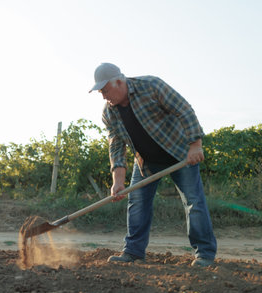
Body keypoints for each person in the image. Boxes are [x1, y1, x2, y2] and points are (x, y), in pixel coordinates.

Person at [89, 63, 217, 267]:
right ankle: (133, 252)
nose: (104, 96)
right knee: (137, 202)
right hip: (146, 161)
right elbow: (116, 147)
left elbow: (184, 110)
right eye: (100, 92)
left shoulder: (151, 86)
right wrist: (118, 182)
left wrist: (195, 145)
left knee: (194, 202)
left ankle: (205, 254)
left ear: (119, 82)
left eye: (105, 90)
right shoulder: (109, 113)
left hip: (180, 153)